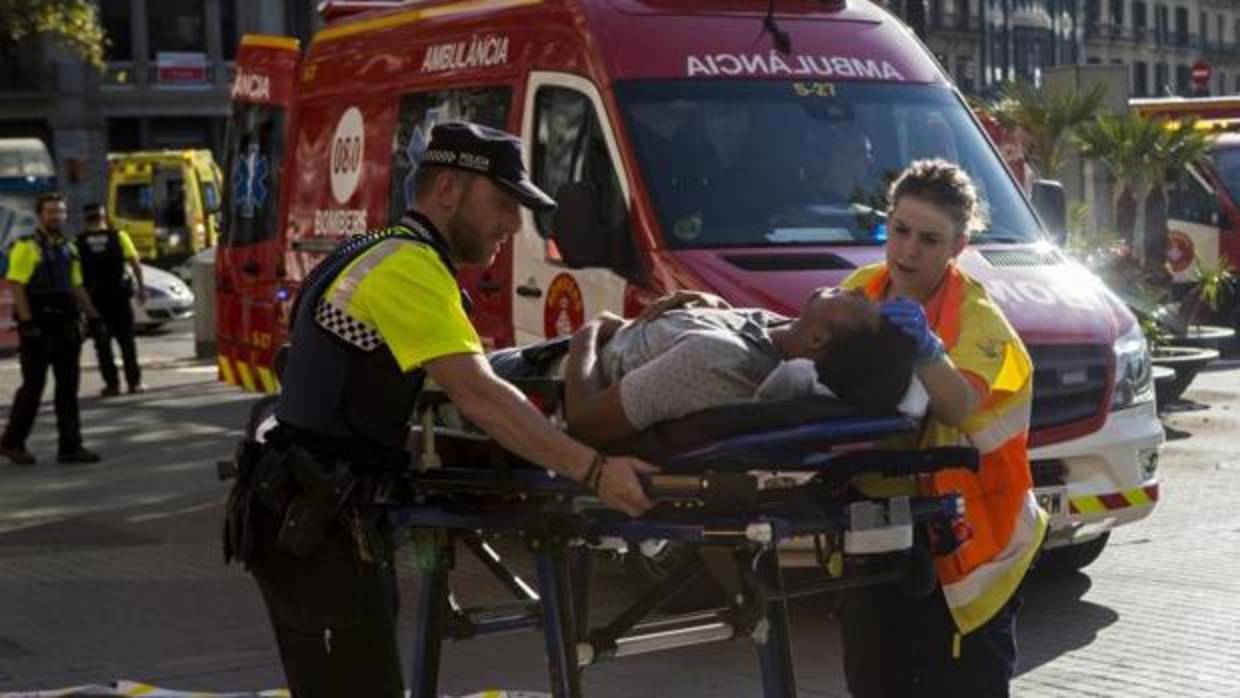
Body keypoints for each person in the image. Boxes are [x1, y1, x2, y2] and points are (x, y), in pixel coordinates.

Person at [224, 122, 656, 697]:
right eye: (503, 203)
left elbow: (420, 375)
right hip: (314, 525)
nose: (513, 224)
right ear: (448, 188)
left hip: (312, 513)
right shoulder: (408, 267)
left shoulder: (373, 250)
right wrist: (595, 471)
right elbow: (479, 395)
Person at [835, 159, 1045, 697]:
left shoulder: (979, 321)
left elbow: (957, 406)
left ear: (958, 246)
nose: (907, 251)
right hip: (878, 523)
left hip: (969, 539)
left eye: (929, 240)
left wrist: (928, 350)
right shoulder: (861, 290)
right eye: (899, 230)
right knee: (874, 683)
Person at [562, 287, 918, 447]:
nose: (860, 290)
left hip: (554, 383)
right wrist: (713, 308)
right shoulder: (776, 333)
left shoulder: (718, 360)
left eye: (861, 305)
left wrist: (590, 330)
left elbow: (583, 423)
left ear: (817, 339)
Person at [0, 192, 102, 466]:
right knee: (33, 387)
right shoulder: (27, 247)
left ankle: (70, 446)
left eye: (60, 211)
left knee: (68, 388)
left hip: (66, 325)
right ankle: (11, 442)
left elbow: (76, 286)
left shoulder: (69, 248)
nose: (56, 216)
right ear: (40, 215)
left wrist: (94, 317)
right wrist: (28, 323)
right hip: (39, 327)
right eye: (51, 212)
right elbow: (17, 285)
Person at [76, 202, 147, 396]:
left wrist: (82, 303)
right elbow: (135, 262)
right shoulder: (119, 236)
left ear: (86, 219)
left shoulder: (78, 242)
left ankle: (112, 385)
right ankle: (134, 382)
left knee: (102, 345)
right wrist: (141, 288)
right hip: (119, 297)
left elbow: (75, 278)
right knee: (127, 342)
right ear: (103, 216)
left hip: (94, 300)